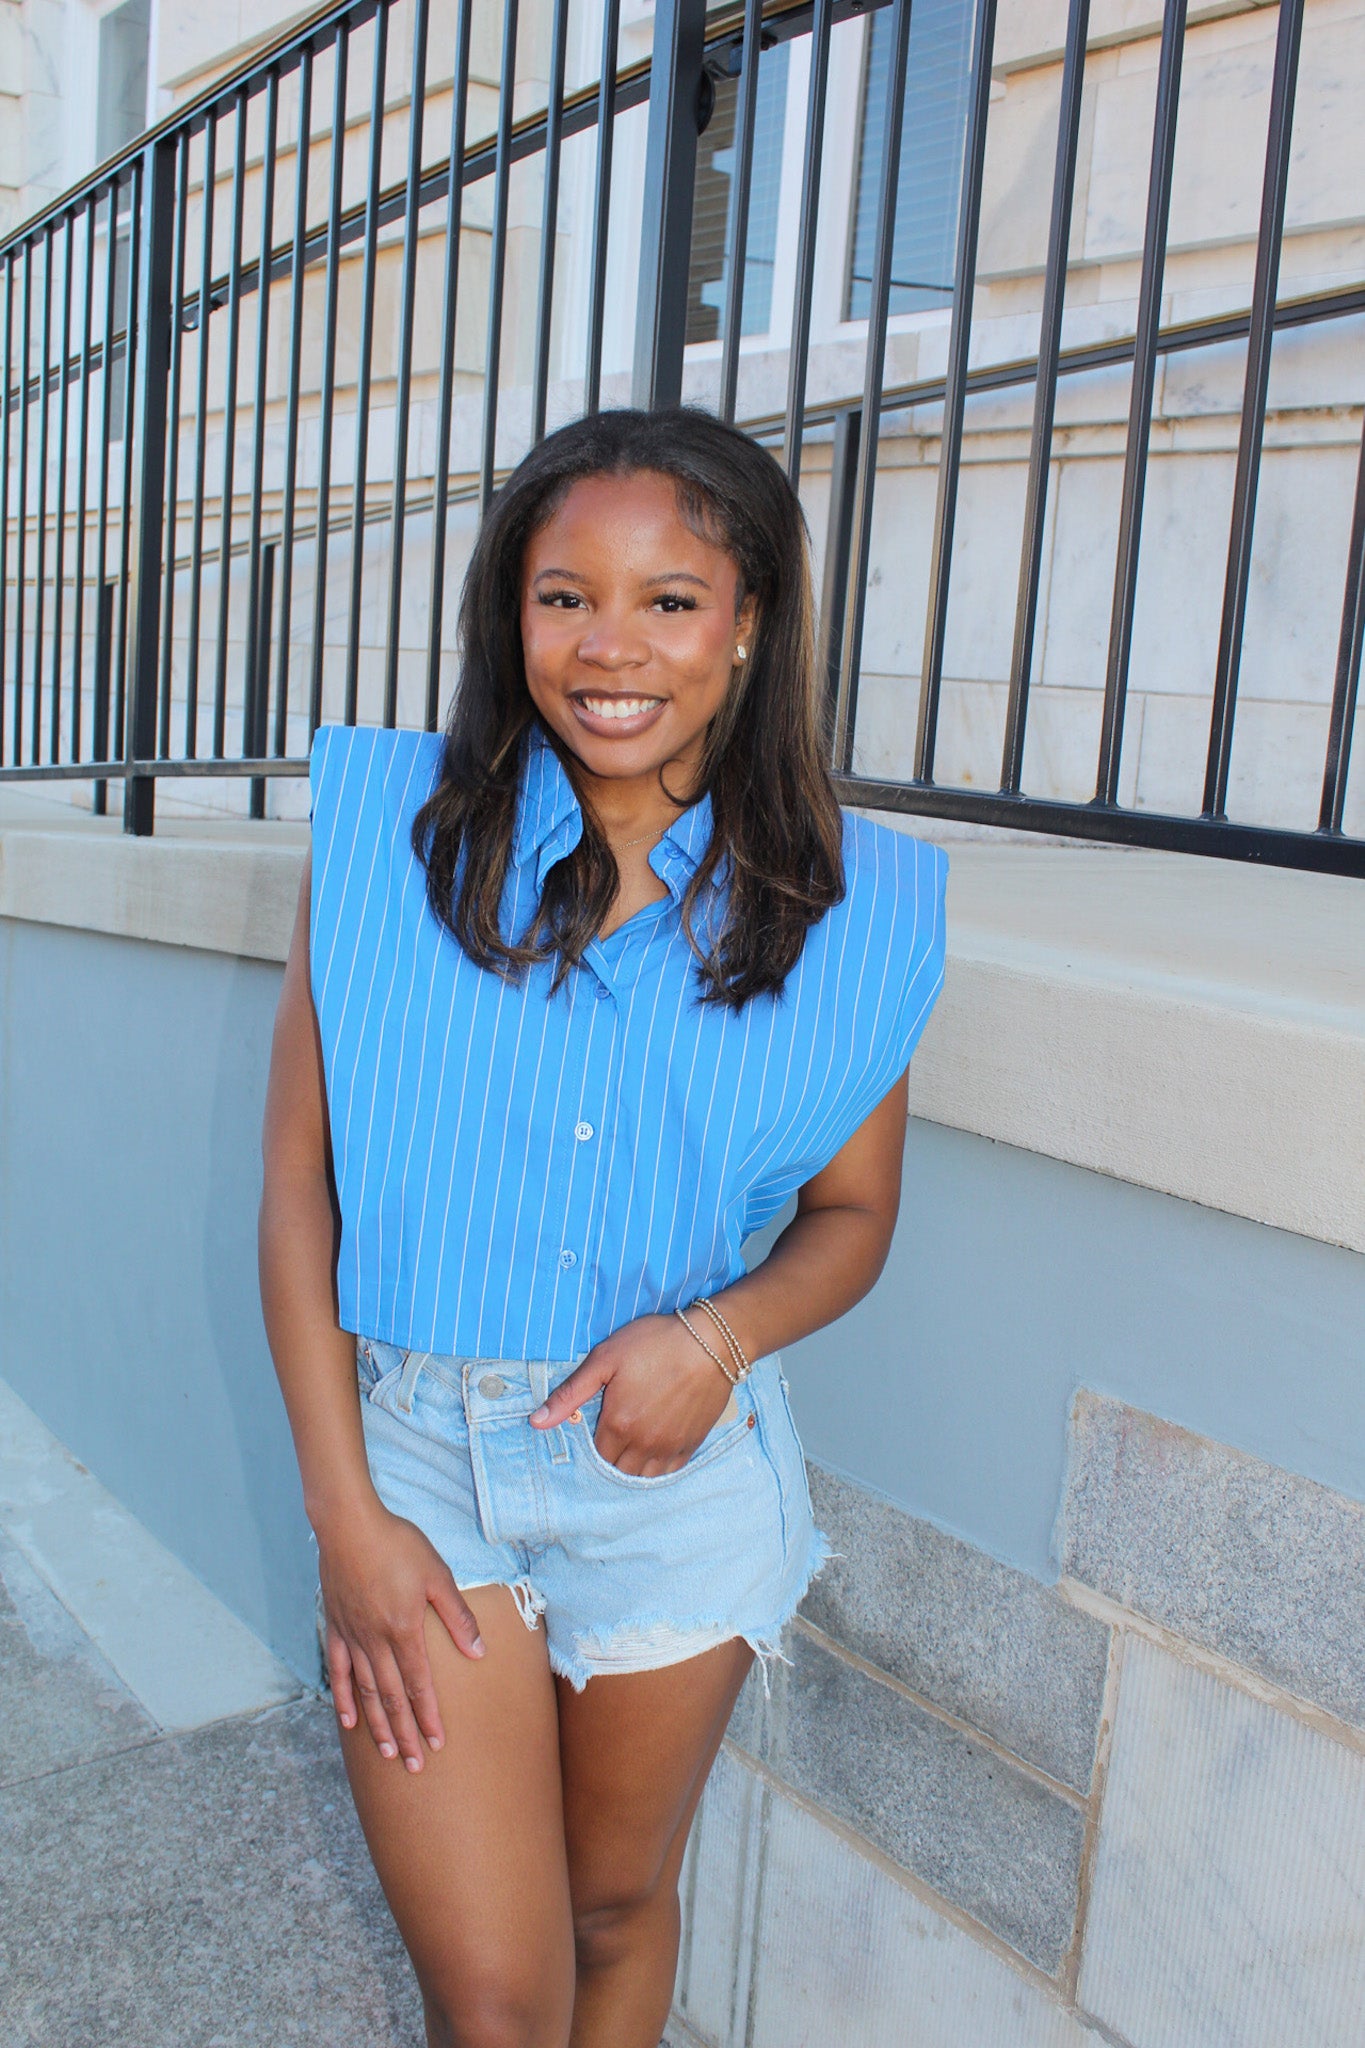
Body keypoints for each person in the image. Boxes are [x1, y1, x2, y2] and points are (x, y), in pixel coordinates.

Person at [258, 405, 946, 2048]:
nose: (608, 646)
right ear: (511, 614)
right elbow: (296, 1188)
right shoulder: (385, 836)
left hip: (679, 1488)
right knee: (496, 1999)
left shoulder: (860, 912)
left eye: (668, 598)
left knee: (613, 1907)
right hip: (421, 1466)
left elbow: (852, 1219)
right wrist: (347, 1519)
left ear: (752, 620)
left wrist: (719, 1339)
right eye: (563, 596)